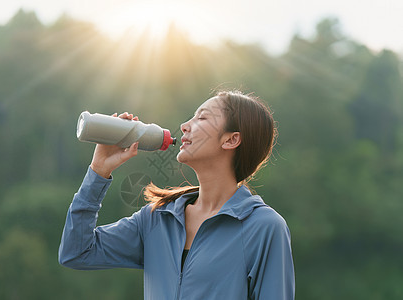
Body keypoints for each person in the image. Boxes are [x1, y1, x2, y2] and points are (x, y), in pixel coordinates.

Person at [59, 90, 295, 299]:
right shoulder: (157, 218)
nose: (185, 125)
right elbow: (76, 252)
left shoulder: (263, 227)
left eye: (202, 117)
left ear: (231, 139)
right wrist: (98, 172)